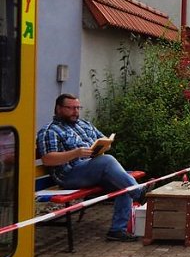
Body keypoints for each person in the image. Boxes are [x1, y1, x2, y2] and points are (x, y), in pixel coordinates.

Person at [36, 93, 143, 242]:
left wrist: (105, 144)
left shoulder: (84, 124)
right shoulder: (50, 131)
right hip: (70, 175)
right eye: (71, 108)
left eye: (78, 108)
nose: (75, 112)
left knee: (122, 185)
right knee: (108, 163)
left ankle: (117, 231)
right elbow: (47, 159)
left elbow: (104, 139)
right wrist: (75, 153)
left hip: (92, 170)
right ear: (58, 109)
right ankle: (139, 193)